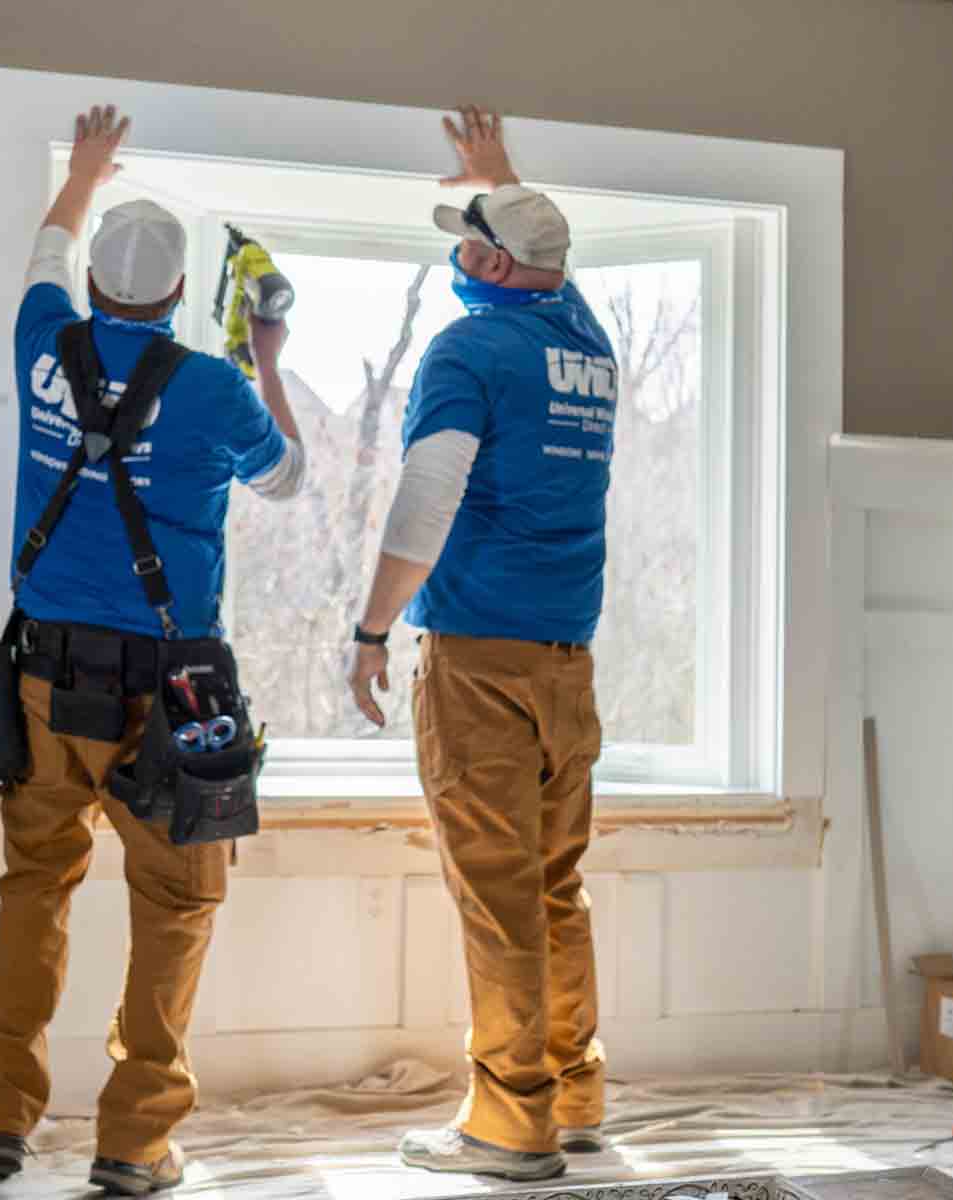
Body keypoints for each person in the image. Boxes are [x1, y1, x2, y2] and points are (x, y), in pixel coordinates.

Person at [0, 105, 304, 1196]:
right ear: (175, 297)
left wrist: (85, 171)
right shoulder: (213, 387)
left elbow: (46, 250)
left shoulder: (41, 337)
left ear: (99, 288)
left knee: (33, 891)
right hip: (171, 697)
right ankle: (135, 1146)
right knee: (179, 904)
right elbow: (287, 477)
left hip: (44, 679)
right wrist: (264, 353)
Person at [348, 106, 617, 1183]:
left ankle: (510, 1126)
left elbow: (425, 501)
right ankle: (575, 1093)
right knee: (556, 885)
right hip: (568, 663)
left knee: (497, 890)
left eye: (470, 240)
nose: (455, 253)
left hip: (481, 662)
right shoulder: (582, 340)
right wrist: (499, 175)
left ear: (499, 265)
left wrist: (370, 628)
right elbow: (550, 258)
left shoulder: (468, 346)